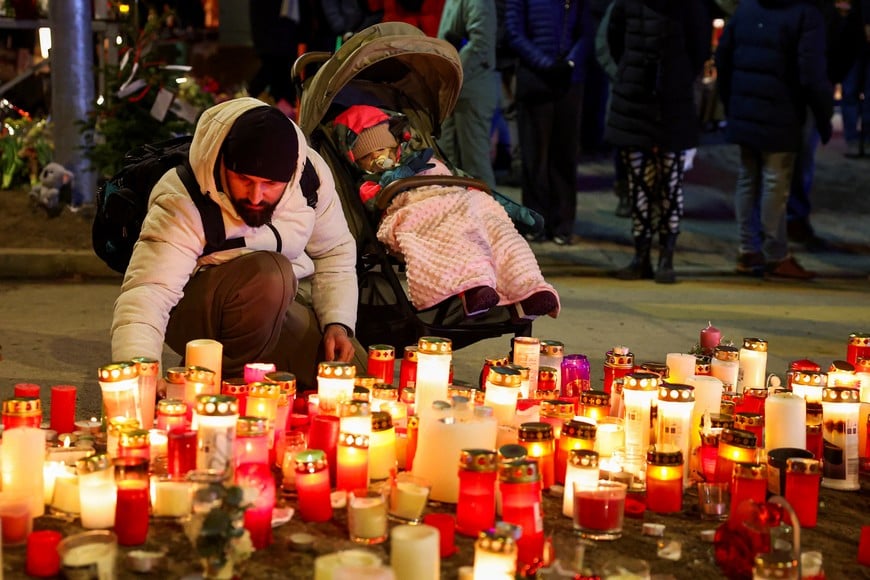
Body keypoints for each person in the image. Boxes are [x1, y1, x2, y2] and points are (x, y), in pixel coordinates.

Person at [111, 97, 362, 389]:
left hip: (277, 305)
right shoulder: (182, 198)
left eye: (269, 185)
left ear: (291, 175)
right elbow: (148, 294)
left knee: (353, 382)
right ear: (222, 163)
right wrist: (142, 379)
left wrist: (337, 323)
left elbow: (335, 250)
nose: (256, 196)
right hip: (199, 310)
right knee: (270, 275)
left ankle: (251, 374)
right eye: (243, 179)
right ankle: (214, 383)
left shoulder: (309, 176)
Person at [333, 104, 561, 320]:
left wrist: (515, 211)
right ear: (356, 161)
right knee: (457, 236)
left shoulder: (425, 159)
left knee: (498, 230)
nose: (376, 158)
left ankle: (529, 287)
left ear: (395, 148)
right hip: (421, 212)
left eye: (381, 150)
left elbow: (466, 180)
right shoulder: (369, 183)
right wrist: (392, 179)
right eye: (367, 156)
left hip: (464, 200)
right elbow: (373, 204)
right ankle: (473, 289)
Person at [716, 0, 833, 280]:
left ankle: (748, 250)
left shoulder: (746, 9)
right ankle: (776, 255)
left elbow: (723, 57)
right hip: (782, 111)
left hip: (745, 107)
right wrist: (822, 114)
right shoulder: (805, 15)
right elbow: (811, 73)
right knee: (775, 182)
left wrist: (732, 102)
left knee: (747, 178)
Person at [604, 0, 711, 284]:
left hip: (671, 103)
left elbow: (700, 49)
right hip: (636, 99)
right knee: (640, 182)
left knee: (669, 182)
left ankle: (665, 256)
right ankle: (642, 256)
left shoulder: (689, 6)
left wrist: (675, 78)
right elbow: (614, 38)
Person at [504, 0, 595, 246]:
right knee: (535, 157)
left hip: (569, 82)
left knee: (565, 156)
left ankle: (563, 224)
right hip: (535, 81)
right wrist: (546, 64)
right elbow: (514, 33)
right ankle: (536, 223)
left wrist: (570, 63)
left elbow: (587, 31)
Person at [437, 0, 500, 190]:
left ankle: (490, 219)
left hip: (471, 88)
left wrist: (452, 73)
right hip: (453, 90)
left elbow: (480, 43)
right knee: (450, 165)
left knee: (475, 169)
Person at [247, 0, 301, 117]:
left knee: (279, 77)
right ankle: (246, 102)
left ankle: (281, 113)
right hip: (275, 38)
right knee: (274, 71)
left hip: (282, 38)